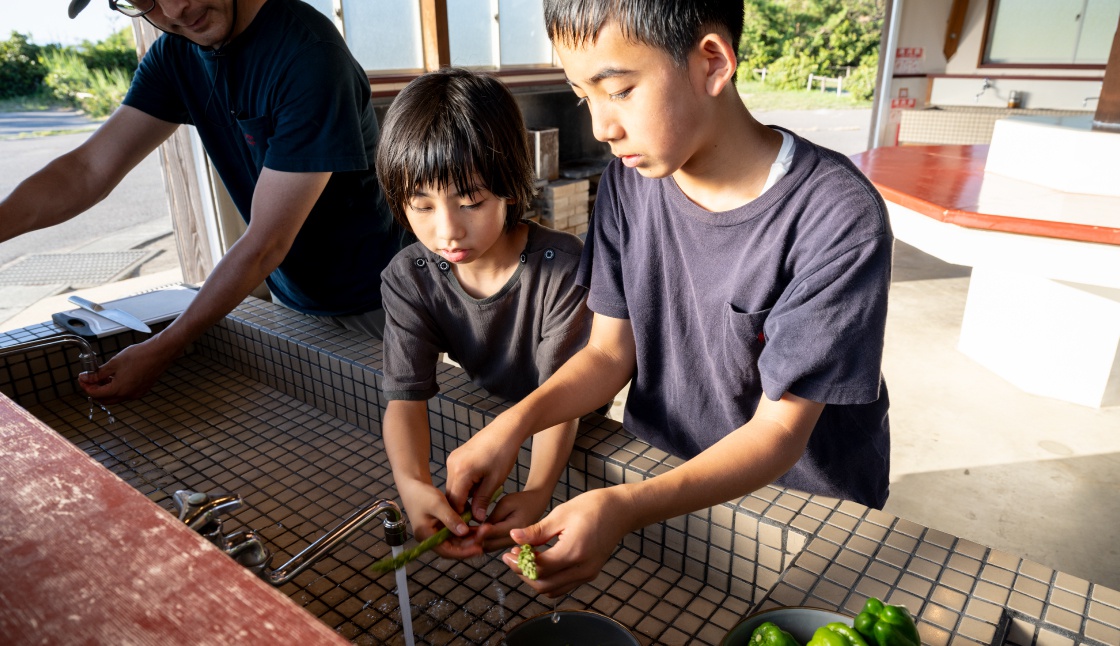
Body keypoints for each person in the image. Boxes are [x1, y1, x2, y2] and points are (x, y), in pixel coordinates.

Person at [443, 0, 894, 597]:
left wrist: (625, 508)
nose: (601, 126)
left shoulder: (835, 216)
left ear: (712, 62)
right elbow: (608, 354)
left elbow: (780, 434)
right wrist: (513, 425)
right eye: (584, 97)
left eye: (620, 89)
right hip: (665, 475)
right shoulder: (630, 184)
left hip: (803, 506)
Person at [0, 0, 404, 404]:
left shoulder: (308, 54)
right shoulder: (176, 53)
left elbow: (266, 243)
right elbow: (86, 170)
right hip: (291, 289)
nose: (175, 10)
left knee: (389, 430)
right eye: (144, 1)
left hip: (374, 295)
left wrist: (163, 347)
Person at [376, 68, 592, 558]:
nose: (447, 230)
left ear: (510, 185)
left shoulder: (562, 268)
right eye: (422, 206)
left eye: (469, 201)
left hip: (569, 407)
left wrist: (538, 490)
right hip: (499, 407)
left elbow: (563, 397)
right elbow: (403, 398)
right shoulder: (410, 275)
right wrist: (411, 485)